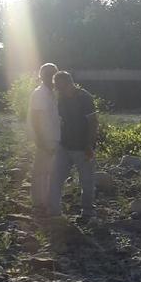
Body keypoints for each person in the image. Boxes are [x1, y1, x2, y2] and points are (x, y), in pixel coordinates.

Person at [49, 70, 98, 220]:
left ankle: (88, 211)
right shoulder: (61, 98)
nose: (58, 90)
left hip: (83, 147)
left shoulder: (85, 98)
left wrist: (89, 145)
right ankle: (54, 211)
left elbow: (93, 122)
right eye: (56, 87)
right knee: (56, 177)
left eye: (60, 87)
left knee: (86, 180)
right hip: (64, 145)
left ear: (69, 83)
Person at [28, 63, 60, 215]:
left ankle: (47, 201)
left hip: (54, 137)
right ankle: (38, 203)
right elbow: (36, 117)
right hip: (45, 137)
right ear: (42, 76)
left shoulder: (52, 92)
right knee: (40, 171)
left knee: (50, 171)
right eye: (49, 74)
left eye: (53, 74)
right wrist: (40, 139)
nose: (51, 78)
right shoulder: (40, 93)